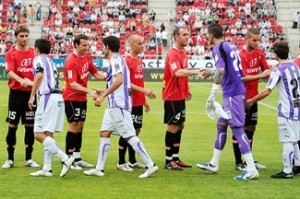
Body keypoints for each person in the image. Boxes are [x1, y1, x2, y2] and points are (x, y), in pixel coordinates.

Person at [83, 36, 158, 178]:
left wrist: (102, 95)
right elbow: (117, 81)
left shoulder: (116, 59)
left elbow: (119, 80)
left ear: (107, 46)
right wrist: (103, 91)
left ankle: (151, 165)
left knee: (130, 135)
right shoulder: (118, 60)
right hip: (113, 105)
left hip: (118, 104)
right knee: (104, 133)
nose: (102, 49)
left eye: (102, 46)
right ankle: (99, 168)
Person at [196, 24, 259, 180]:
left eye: (207, 34)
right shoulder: (231, 45)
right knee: (221, 124)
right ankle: (214, 163)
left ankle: (251, 169)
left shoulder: (218, 47)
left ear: (211, 35)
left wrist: (212, 93)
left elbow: (222, 70)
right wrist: (212, 72)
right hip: (235, 91)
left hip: (232, 94)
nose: (207, 36)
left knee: (237, 129)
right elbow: (229, 70)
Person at [246, 41, 300, 178]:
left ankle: (287, 170)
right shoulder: (295, 66)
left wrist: (251, 101)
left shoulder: (278, 70)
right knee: (294, 139)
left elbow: (267, 91)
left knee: (287, 140)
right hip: (297, 107)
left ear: (275, 54)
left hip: (286, 110)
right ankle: (298, 164)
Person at [28, 38, 75, 177]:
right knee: (48, 133)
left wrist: (32, 96)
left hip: (47, 97)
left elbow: (40, 75)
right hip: (58, 97)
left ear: (36, 49)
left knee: (38, 133)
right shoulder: (52, 62)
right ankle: (47, 168)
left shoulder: (37, 59)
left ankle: (65, 158)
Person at [63, 34, 106, 170]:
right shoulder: (71, 60)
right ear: (76, 45)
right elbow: (73, 84)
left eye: (88, 45)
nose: (86, 48)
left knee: (80, 126)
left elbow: (97, 74)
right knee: (73, 126)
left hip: (82, 98)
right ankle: (68, 159)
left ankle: (77, 157)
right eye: (84, 45)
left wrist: (111, 77)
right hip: (71, 97)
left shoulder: (87, 57)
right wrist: (90, 91)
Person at [163, 27, 204, 170]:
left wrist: (187, 89)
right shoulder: (173, 53)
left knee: (180, 125)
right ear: (176, 37)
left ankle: (175, 157)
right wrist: (196, 72)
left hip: (180, 94)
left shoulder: (183, 52)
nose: (188, 37)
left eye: (188, 34)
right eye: (184, 34)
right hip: (172, 94)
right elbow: (178, 72)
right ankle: (168, 161)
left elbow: (183, 74)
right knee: (173, 126)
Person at [232, 28, 271, 171]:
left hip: (254, 97)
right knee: (239, 129)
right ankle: (238, 162)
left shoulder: (260, 53)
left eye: (258, 40)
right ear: (246, 39)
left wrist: (269, 72)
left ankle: (249, 159)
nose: (256, 43)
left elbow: (266, 71)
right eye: (254, 40)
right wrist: (261, 75)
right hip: (240, 97)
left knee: (251, 128)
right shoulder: (239, 55)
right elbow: (242, 77)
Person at [2, 25, 40, 169]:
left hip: (30, 94)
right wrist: (21, 80)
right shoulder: (10, 54)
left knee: (30, 126)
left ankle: (28, 159)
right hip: (16, 94)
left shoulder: (34, 53)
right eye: (21, 36)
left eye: (26, 36)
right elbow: (10, 72)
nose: (24, 39)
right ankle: (10, 159)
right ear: (16, 37)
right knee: (12, 125)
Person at [117, 35, 156, 172]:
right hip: (129, 102)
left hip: (138, 101)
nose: (142, 46)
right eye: (139, 43)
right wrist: (144, 91)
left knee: (136, 130)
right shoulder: (126, 61)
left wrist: (144, 100)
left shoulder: (139, 61)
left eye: (142, 43)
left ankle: (132, 160)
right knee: (127, 131)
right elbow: (127, 83)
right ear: (131, 45)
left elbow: (140, 81)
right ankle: (121, 161)